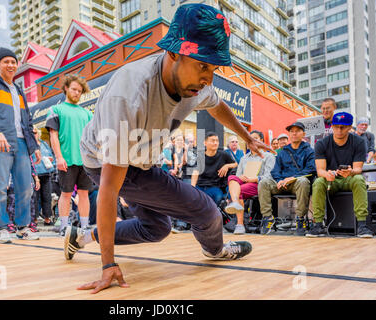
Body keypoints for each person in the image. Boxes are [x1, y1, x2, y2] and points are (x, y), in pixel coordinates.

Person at [70, 4, 274, 294]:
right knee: (206, 212)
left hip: (140, 158)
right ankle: (215, 250)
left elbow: (218, 107)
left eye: (213, 69)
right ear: (174, 52)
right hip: (108, 160)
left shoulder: (197, 85)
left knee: (156, 228)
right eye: (203, 65)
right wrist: (107, 265)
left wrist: (247, 137)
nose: (208, 79)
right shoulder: (129, 96)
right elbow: (108, 189)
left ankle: (82, 236)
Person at [0, 47, 41, 243]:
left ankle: (22, 227)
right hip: (0, 142)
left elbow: (27, 120)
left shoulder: (19, 89)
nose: (11, 65)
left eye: (13, 61)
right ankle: (2, 228)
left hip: (21, 143)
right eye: (6, 62)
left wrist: (34, 146)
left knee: (25, 187)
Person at [307, 112, 373, 238]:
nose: (339, 130)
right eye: (336, 126)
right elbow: (320, 170)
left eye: (343, 127)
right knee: (318, 182)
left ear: (349, 127)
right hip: (331, 180)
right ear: (332, 126)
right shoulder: (322, 143)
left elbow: (358, 169)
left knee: (359, 179)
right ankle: (318, 224)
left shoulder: (359, 142)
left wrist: (351, 171)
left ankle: (362, 225)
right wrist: (327, 174)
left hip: (349, 178)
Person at [45, 75, 93, 235]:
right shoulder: (56, 110)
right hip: (66, 159)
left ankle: (85, 226)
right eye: (74, 89)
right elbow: (53, 135)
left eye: (79, 91)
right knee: (65, 194)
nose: (77, 93)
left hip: (85, 161)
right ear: (66, 88)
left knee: (84, 194)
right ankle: (64, 226)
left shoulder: (87, 113)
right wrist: (59, 157)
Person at [258, 122, 316, 236]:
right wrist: (279, 180)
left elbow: (311, 169)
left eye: (297, 131)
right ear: (289, 134)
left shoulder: (309, 150)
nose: (294, 133)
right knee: (264, 182)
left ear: (303, 133)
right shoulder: (283, 151)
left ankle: (300, 219)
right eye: (292, 131)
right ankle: (268, 218)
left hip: (297, 184)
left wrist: (292, 178)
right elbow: (275, 170)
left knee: (303, 181)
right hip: (282, 183)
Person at [224, 130, 275, 234]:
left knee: (239, 191)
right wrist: (241, 177)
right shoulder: (244, 158)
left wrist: (254, 179)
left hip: (259, 184)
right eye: (249, 139)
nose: (251, 141)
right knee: (231, 177)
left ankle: (239, 224)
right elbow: (237, 176)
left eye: (255, 138)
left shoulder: (268, 156)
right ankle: (235, 202)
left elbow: (269, 176)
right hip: (244, 182)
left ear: (262, 141)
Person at [191, 132, 237, 205]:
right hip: (200, 185)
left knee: (217, 197)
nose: (215, 143)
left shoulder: (223, 155)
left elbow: (235, 164)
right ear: (205, 143)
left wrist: (227, 166)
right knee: (193, 199)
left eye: (217, 141)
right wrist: (192, 187)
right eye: (212, 141)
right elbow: (195, 172)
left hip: (215, 186)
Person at [31, 126, 55, 226]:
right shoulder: (29, 145)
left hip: (47, 172)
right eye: (32, 132)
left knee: (47, 196)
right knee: (35, 197)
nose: (34, 134)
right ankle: (34, 218)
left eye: (35, 132)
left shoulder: (44, 144)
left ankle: (47, 218)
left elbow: (52, 156)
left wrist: (51, 160)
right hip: (35, 173)